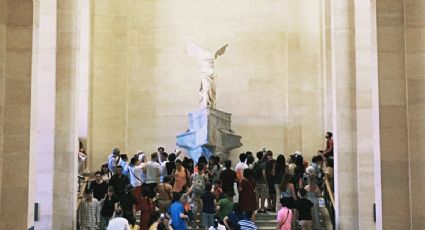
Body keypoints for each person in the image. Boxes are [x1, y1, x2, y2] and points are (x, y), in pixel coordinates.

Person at [186, 42, 228, 108]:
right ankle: (205, 105)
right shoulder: (202, 56)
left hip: (211, 76)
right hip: (205, 75)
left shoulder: (212, 57)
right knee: (206, 90)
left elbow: (217, 54)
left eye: (210, 60)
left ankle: (211, 104)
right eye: (207, 60)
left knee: (212, 92)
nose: (209, 61)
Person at [185, 163, 208, 228]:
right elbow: (206, 184)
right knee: (201, 210)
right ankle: (200, 223)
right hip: (202, 195)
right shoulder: (205, 176)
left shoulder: (193, 175)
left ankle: (195, 223)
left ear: (197, 168)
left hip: (194, 194)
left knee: (194, 209)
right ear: (203, 169)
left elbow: (191, 183)